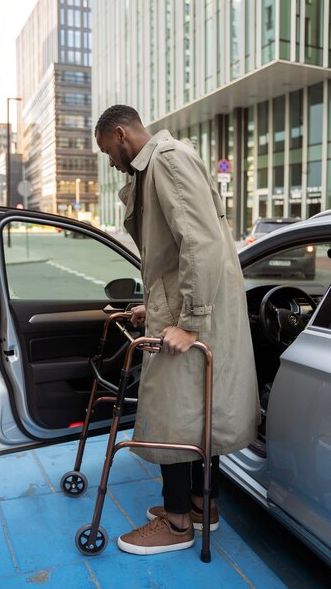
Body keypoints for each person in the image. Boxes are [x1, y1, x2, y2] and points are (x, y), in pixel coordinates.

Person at [95, 105, 260, 556]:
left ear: (122, 134)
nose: (110, 161)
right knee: (201, 409)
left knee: (174, 414)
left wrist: (187, 323)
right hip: (196, 307)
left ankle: (178, 524)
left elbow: (199, 243)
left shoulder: (165, 160)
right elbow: (177, 252)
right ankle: (203, 507)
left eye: (108, 150)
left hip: (195, 317)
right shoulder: (162, 164)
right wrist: (157, 303)